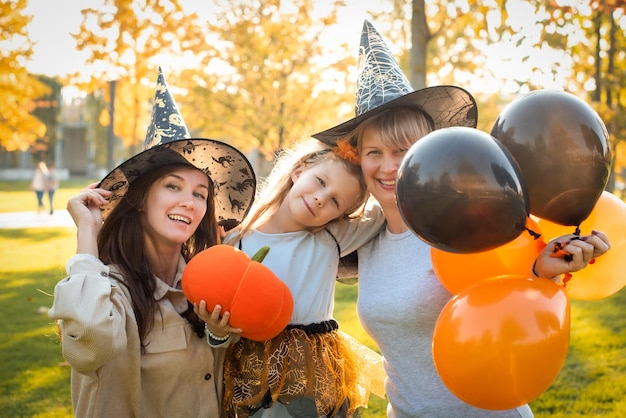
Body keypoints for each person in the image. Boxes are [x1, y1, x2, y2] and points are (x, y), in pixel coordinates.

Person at [313, 20, 611, 418]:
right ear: (358, 159)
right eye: (374, 153)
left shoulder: (466, 216)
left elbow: (510, 289)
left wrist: (544, 270)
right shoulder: (363, 235)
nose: (389, 167)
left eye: (405, 151)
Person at [47, 68, 256, 417]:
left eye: (200, 194)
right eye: (172, 186)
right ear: (141, 199)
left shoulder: (202, 286)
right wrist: (87, 233)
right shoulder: (109, 291)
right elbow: (89, 347)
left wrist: (218, 336)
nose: (190, 202)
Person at [196, 138, 386, 418]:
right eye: (320, 181)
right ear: (299, 169)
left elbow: (386, 209)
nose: (322, 197)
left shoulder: (331, 237)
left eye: (335, 200)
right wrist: (217, 332)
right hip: (253, 377)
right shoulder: (236, 243)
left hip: (312, 377)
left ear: (341, 215)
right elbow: (225, 330)